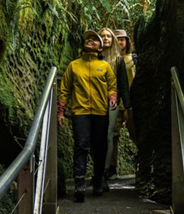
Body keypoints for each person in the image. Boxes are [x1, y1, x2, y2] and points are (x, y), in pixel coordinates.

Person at [58, 30, 118, 202]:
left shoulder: (104, 66)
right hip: (80, 112)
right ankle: (79, 185)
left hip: (100, 112)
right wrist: (61, 111)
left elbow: (112, 85)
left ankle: (98, 180)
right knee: (81, 145)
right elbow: (64, 89)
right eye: (87, 39)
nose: (90, 40)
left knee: (99, 147)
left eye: (94, 39)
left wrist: (112, 97)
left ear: (100, 47)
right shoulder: (74, 66)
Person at [99, 27, 130, 190]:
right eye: (102, 36)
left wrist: (127, 107)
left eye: (108, 36)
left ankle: (104, 171)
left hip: (112, 103)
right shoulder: (93, 57)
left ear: (113, 40)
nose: (105, 39)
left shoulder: (118, 60)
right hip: (94, 102)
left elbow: (123, 85)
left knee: (109, 135)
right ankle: (98, 170)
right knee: (95, 136)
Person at [106, 28, 137, 184]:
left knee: (136, 134)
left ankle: (142, 166)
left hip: (132, 104)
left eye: (122, 39)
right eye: (117, 39)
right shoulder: (110, 60)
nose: (120, 42)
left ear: (127, 41)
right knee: (112, 136)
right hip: (116, 104)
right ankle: (111, 168)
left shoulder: (134, 59)